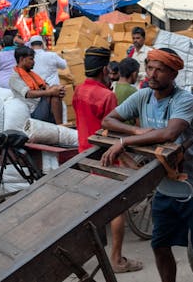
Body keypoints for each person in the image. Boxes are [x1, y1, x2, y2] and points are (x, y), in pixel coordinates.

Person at [101, 49, 193, 282]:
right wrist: (136, 130)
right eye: (150, 67)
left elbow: (170, 132)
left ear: (173, 74)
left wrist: (124, 141)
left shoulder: (183, 99)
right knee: (160, 247)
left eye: (160, 70)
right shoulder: (143, 95)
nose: (152, 74)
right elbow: (108, 120)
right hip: (164, 189)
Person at [72, 47, 143, 274]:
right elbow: (114, 135)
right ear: (105, 69)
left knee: (88, 209)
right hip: (106, 158)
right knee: (116, 209)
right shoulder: (107, 96)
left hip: (84, 154)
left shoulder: (78, 91)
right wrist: (131, 162)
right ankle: (117, 260)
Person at [9, 46, 66, 123]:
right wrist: (51, 92)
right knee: (53, 94)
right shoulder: (14, 77)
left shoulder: (31, 73)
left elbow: (45, 85)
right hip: (33, 111)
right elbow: (28, 94)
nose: (34, 62)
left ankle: (60, 126)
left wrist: (56, 89)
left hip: (41, 106)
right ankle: (60, 126)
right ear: (22, 59)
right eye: (31, 59)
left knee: (55, 88)